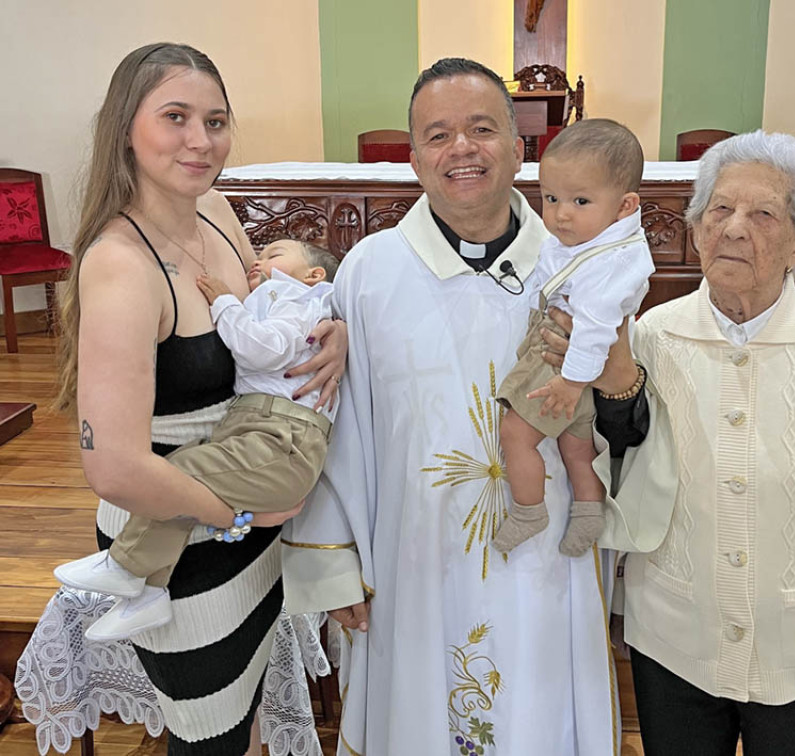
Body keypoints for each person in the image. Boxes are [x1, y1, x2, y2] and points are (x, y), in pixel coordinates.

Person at [280, 58, 666, 755]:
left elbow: (622, 421)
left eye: (482, 129)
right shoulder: (370, 272)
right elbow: (335, 429)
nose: (461, 149)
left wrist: (614, 373)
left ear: (519, 147)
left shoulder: (580, 263)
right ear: (412, 157)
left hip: (548, 557)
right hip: (411, 567)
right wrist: (334, 567)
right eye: (438, 135)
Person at [50, 44, 345, 755]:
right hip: (178, 530)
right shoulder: (121, 264)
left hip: (244, 502)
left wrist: (328, 332)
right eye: (175, 117)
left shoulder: (213, 210)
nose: (200, 140)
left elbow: (262, 326)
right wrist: (242, 513)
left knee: (237, 715)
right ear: (126, 126)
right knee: (205, 734)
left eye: (215, 120)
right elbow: (115, 468)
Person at [593, 130, 795, 755]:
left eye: (762, 213)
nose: (734, 229)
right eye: (719, 209)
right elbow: (618, 473)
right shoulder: (651, 338)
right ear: (695, 229)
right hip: (675, 641)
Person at [55, 240, 340, 642]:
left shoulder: (294, 297)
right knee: (179, 485)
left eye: (274, 254)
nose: (258, 261)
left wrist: (226, 302)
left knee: (176, 474)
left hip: (283, 438)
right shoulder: (280, 297)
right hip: (263, 429)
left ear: (314, 275)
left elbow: (262, 351)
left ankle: (125, 565)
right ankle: (149, 594)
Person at [493, 118, 654, 556]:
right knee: (576, 444)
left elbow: (597, 328)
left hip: (563, 362)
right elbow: (549, 276)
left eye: (580, 200)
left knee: (515, 433)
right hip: (569, 355)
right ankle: (588, 515)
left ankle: (528, 510)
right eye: (550, 198)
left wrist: (571, 381)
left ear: (624, 206)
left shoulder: (609, 262)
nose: (561, 213)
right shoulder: (591, 238)